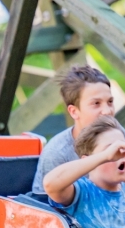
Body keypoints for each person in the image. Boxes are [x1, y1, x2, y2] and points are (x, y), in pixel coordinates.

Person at [32, 65, 117, 194]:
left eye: (110, 102)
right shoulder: (56, 154)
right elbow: (50, 203)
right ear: (74, 111)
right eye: (96, 103)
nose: (107, 111)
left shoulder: (119, 135)